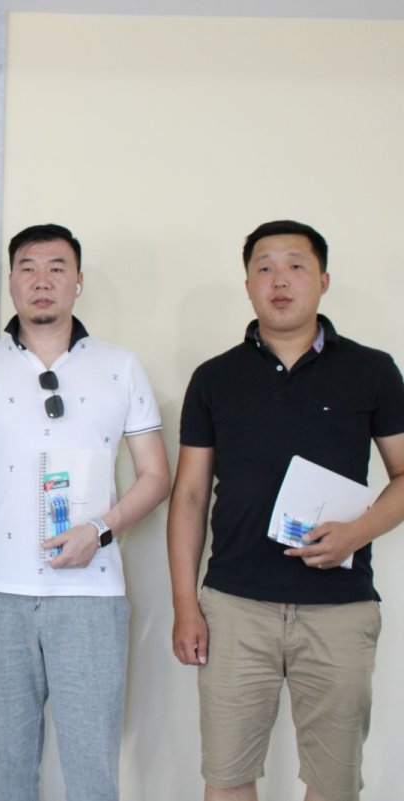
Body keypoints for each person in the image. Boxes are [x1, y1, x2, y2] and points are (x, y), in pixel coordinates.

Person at [167, 220, 404, 801]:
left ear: (323, 280)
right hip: (234, 606)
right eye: (264, 267)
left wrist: (357, 532)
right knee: (227, 774)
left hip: (339, 608)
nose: (280, 280)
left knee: (333, 781)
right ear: (248, 284)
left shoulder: (372, 370)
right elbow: (190, 496)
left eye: (296, 265)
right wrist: (185, 606)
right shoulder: (214, 377)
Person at [0, 223, 170, 801]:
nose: (41, 280)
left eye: (56, 268)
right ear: (11, 282)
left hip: (91, 596)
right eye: (27, 268)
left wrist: (100, 530)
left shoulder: (120, 366)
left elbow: (156, 476)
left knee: (93, 773)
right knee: (5, 772)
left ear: (78, 281)